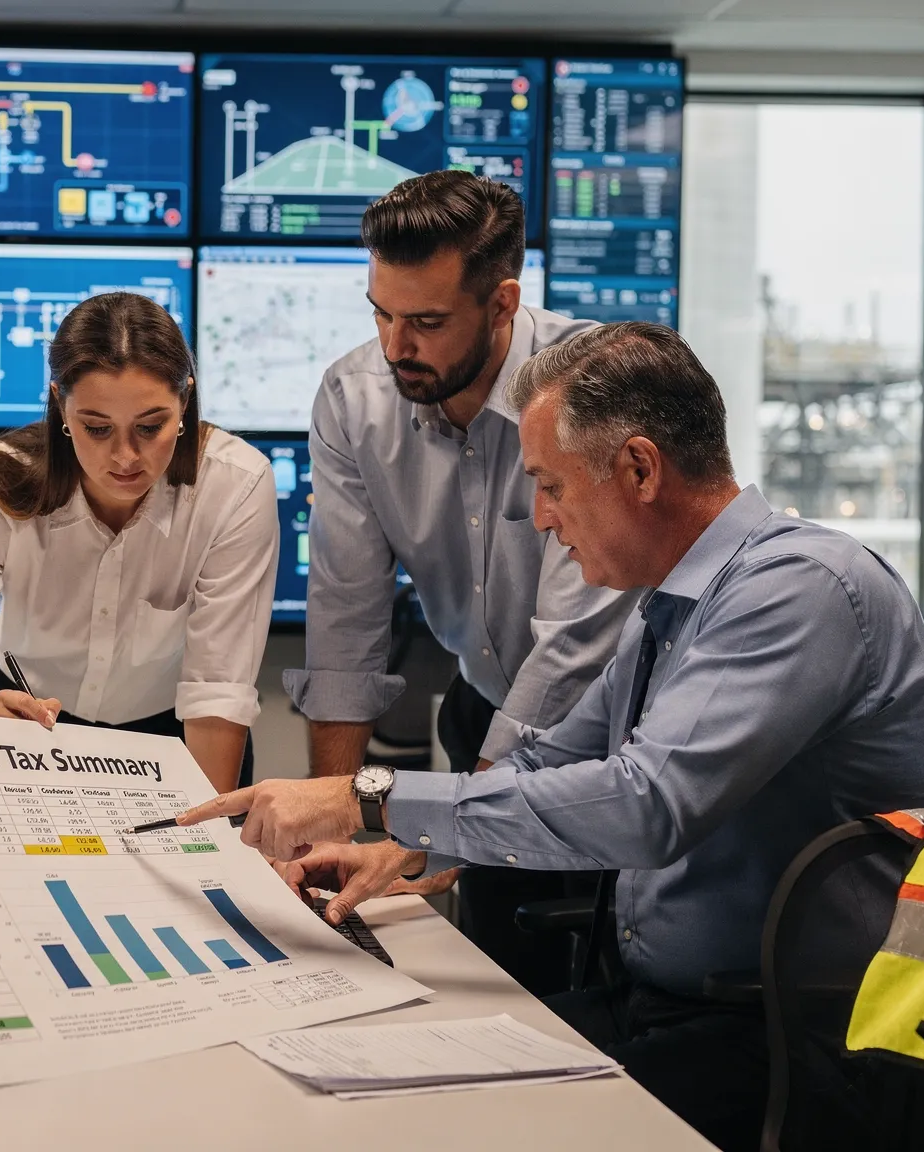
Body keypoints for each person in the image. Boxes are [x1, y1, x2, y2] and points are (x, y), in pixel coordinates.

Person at [184, 322, 924, 1151]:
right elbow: (552, 756)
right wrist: (402, 846)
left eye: (551, 485)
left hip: (782, 1037)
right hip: (665, 1003)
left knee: (436, 1130)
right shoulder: (674, 602)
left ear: (639, 468)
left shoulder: (802, 589)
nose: (539, 516)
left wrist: (364, 796)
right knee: (365, 1095)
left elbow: (645, 804)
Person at [286, 169, 633, 987]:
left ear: (504, 305)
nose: (396, 345)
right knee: (495, 974)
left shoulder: (590, 391)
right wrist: (333, 824)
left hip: (613, 730)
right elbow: (346, 619)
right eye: (381, 314)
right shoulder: (352, 398)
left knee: (607, 977)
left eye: (428, 322)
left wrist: (437, 824)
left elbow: (575, 649)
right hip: (482, 709)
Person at [0, 292, 279, 794]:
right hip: (19, 716)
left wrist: (212, 843)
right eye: (97, 428)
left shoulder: (235, 486)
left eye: (150, 426)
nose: (124, 456)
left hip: (174, 734)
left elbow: (218, 693)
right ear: (60, 404)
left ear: (186, 398)